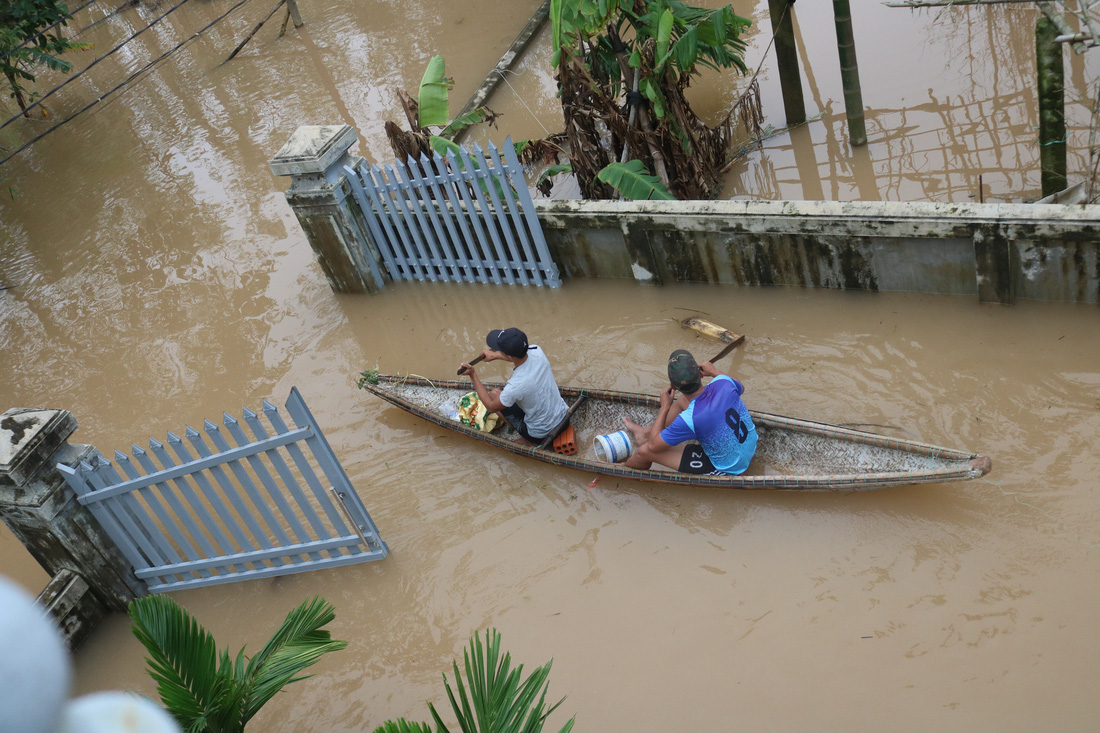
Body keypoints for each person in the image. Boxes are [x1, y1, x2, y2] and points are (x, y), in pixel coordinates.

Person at [622, 349, 757, 475]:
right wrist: (714, 370)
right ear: (701, 374)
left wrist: (665, 407)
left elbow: (653, 446)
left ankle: (622, 470)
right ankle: (645, 433)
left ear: (673, 386)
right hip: (750, 447)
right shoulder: (724, 382)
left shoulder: (690, 419)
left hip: (728, 468)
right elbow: (740, 386)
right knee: (682, 401)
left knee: (643, 451)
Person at [458, 328, 569, 444]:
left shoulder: (516, 385)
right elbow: (516, 357)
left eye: (499, 349)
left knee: (493, 396)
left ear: (509, 356)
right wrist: (495, 355)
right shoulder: (537, 350)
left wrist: (473, 375)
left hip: (541, 433)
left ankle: (528, 439)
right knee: (499, 392)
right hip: (564, 418)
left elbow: (491, 407)